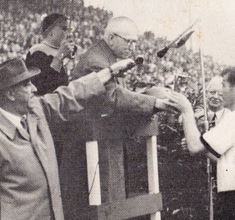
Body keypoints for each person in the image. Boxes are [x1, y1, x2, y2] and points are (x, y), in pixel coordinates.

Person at [63, 16, 174, 219]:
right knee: (100, 206)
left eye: (134, 42)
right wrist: (153, 103)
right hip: (90, 149)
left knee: (113, 205)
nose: (132, 46)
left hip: (106, 143)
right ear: (112, 37)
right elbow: (113, 96)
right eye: (128, 41)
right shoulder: (96, 62)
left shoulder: (108, 58)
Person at [0, 56, 136, 220]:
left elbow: (71, 94)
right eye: (26, 84)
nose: (34, 88)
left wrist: (110, 71)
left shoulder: (35, 110)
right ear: (10, 94)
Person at [169, 66, 235, 220]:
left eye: (223, 85)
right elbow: (230, 160)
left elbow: (195, 147)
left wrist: (186, 110)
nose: (221, 91)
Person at [25, 13, 76, 95]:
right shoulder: (37, 52)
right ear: (50, 32)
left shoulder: (61, 51)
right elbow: (41, 87)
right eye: (65, 29)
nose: (69, 34)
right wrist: (60, 57)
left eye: (70, 30)